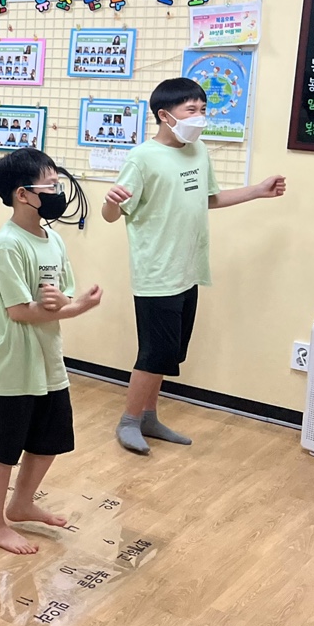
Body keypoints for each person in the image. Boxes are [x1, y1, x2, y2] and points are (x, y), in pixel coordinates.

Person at [103, 78, 286, 456]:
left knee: (169, 354)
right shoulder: (142, 158)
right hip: (157, 273)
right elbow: (111, 215)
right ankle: (129, 421)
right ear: (165, 115)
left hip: (188, 269)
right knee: (153, 354)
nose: (200, 117)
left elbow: (209, 199)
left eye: (203, 110)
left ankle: (149, 417)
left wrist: (257, 190)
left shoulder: (198, 151)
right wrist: (110, 201)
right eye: (191, 110)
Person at [0, 147, 102, 554]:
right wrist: (76, 307)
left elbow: (60, 295)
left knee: (50, 438)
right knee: (2, 446)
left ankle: (22, 503)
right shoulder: (7, 245)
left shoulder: (54, 239)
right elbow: (18, 311)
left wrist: (67, 301)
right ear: (23, 194)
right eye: (50, 184)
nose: (58, 191)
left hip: (47, 358)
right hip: (10, 361)